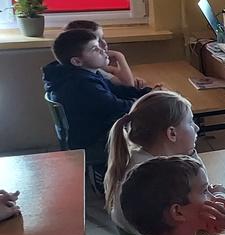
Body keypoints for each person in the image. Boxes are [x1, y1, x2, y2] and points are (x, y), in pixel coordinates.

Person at [42, 29, 153, 168]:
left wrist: (148, 92)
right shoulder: (81, 83)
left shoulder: (81, 74)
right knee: (156, 128)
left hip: (94, 134)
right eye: (95, 49)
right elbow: (116, 107)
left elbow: (117, 90)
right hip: (94, 144)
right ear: (77, 61)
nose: (103, 50)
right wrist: (150, 101)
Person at [105, 90, 203, 235]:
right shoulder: (161, 177)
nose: (196, 128)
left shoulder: (139, 159)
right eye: (190, 122)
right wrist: (221, 196)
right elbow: (201, 210)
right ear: (172, 133)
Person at [63, 19, 143, 88]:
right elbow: (128, 86)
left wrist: (130, 76)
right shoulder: (87, 73)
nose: (104, 44)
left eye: (103, 38)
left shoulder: (91, 67)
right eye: (96, 42)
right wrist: (120, 56)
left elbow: (114, 71)